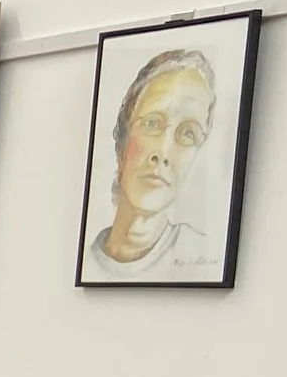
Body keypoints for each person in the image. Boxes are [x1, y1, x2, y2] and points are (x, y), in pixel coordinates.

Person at [87, 47, 219, 278]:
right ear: (123, 140)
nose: (163, 152)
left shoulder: (202, 258)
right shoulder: (84, 261)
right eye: (152, 123)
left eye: (188, 133)